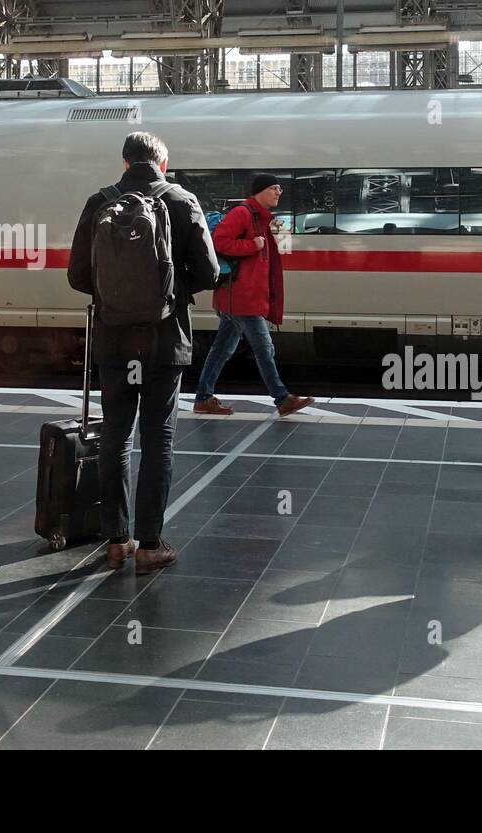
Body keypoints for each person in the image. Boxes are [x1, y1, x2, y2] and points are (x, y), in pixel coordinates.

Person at [68, 132, 221, 572]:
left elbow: (77, 275)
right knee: (159, 440)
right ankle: (152, 544)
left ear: (124, 163)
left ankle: (117, 540)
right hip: (164, 340)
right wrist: (168, 293)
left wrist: (116, 294)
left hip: (114, 340)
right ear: (163, 163)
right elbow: (210, 273)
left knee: (115, 437)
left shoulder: (100, 201)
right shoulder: (181, 199)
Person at [192, 174, 314, 418]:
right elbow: (218, 242)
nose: (279, 192)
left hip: (240, 297)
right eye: (275, 188)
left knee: (222, 349)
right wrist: (252, 246)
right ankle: (282, 399)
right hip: (239, 298)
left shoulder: (262, 218)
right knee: (263, 347)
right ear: (261, 191)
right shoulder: (243, 213)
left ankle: (203, 398)